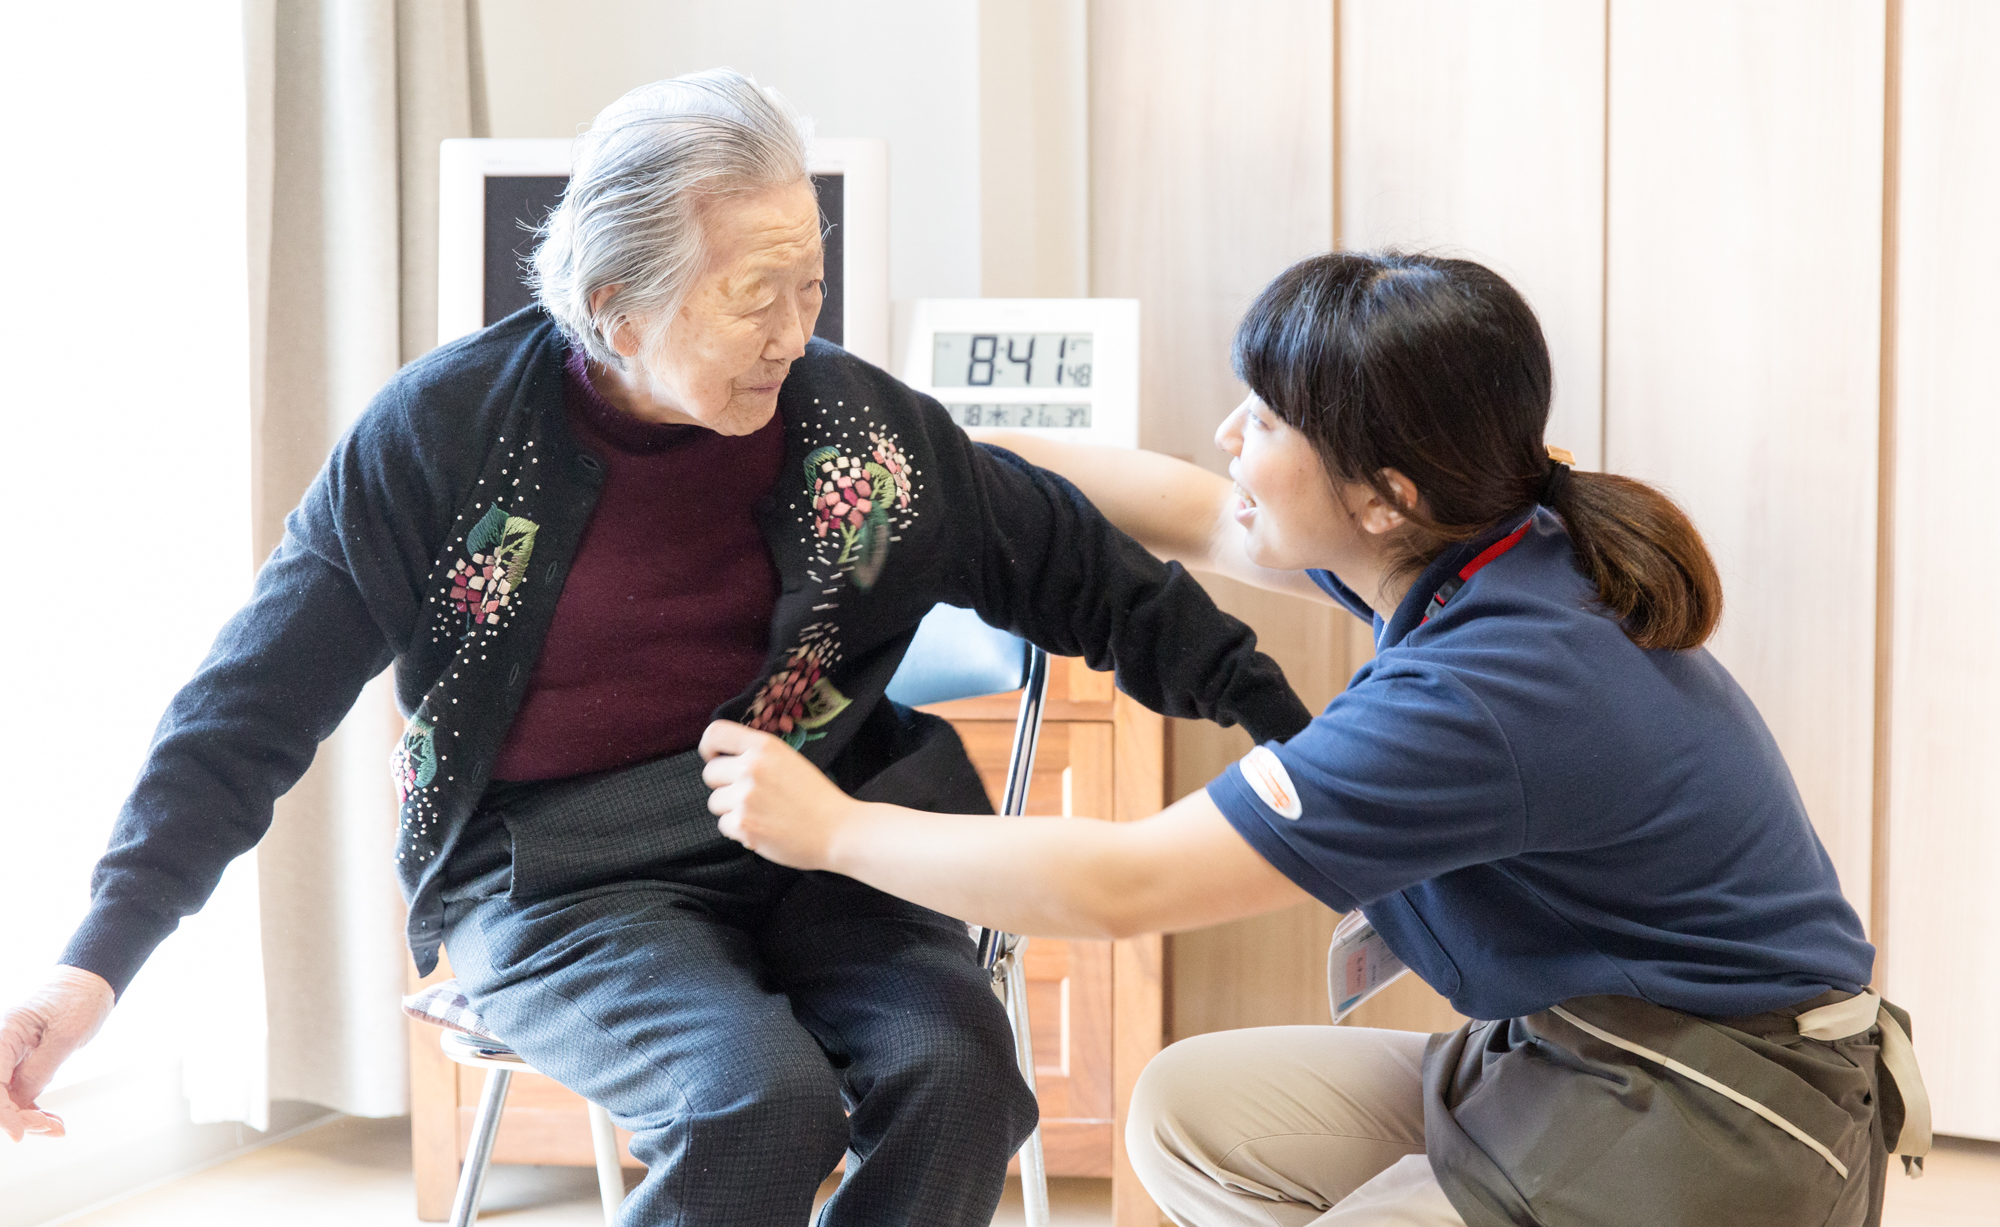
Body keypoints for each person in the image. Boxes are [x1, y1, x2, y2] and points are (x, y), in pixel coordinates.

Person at [0, 71, 1314, 1227]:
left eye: (812, 284)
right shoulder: (441, 441)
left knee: (960, 1078)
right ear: (613, 305)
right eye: (755, 298)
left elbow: (1084, 571)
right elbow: (247, 710)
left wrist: (1311, 747)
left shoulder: (859, 428)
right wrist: (96, 958)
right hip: (559, 875)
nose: (797, 333)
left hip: (816, 832)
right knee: (757, 1102)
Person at [700, 251, 1930, 1227]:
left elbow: (1126, 882)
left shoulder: (1479, 695)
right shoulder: (1485, 543)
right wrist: (927, 460)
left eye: (1269, 420)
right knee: (1188, 1111)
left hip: (1717, 1114)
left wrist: (836, 828)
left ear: (1383, 493)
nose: (1232, 433)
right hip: (1577, 1048)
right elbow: (1190, 506)